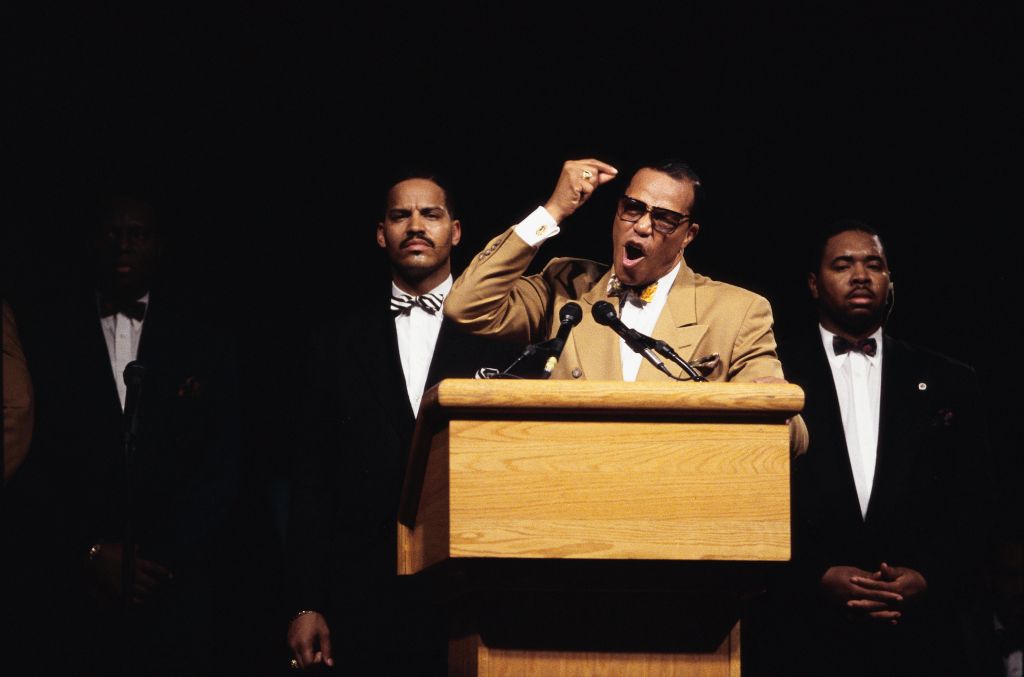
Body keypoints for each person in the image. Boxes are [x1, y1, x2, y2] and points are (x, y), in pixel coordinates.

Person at [285, 173, 515, 674]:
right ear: (380, 233)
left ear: (456, 232)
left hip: (473, 592)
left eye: (430, 214)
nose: (415, 226)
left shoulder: (503, 335)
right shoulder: (333, 343)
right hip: (362, 598)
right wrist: (307, 603)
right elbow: (308, 482)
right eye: (399, 216)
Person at [6, 194, 244, 675]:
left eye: (137, 234)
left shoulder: (200, 337)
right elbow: (34, 452)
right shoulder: (50, 334)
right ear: (94, 242)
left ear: (157, 245)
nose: (124, 244)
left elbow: (222, 456)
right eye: (113, 233)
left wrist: (160, 559)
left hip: (172, 584)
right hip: (72, 587)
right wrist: (88, 552)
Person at [445, 158, 806, 451]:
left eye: (664, 218)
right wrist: (553, 211)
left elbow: (790, 430)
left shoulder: (737, 311)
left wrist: (773, 408)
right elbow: (467, 305)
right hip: (572, 499)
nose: (643, 226)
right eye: (633, 208)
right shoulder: (566, 287)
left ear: (688, 236)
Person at [774, 220, 990, 675]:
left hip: (921, 635)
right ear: (814, 284)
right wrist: (816, 575)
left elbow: (975, 501)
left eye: (874, 264)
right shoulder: (773, 376)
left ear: (890, 282)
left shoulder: (951, 380)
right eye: (843, 264)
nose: (860, 275)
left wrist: (926, 576)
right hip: (801, 631)